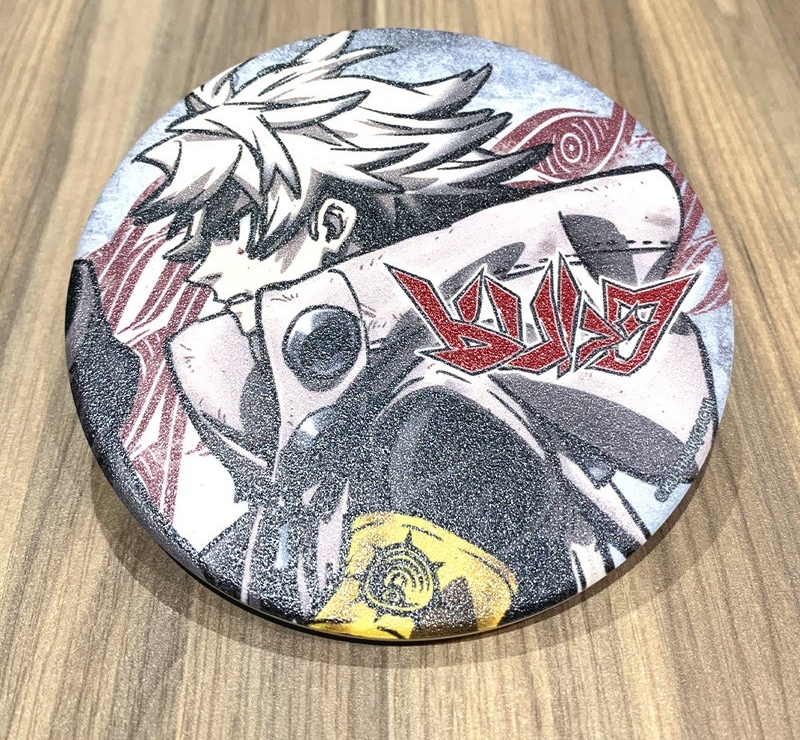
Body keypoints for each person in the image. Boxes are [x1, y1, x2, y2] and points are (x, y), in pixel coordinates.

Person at [74, 32, 712, 638]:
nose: (200, 269)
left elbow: (390, 615)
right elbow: (260, 566)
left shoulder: (437, 423)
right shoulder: (342, 428)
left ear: (330, 224)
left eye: (222, 229)